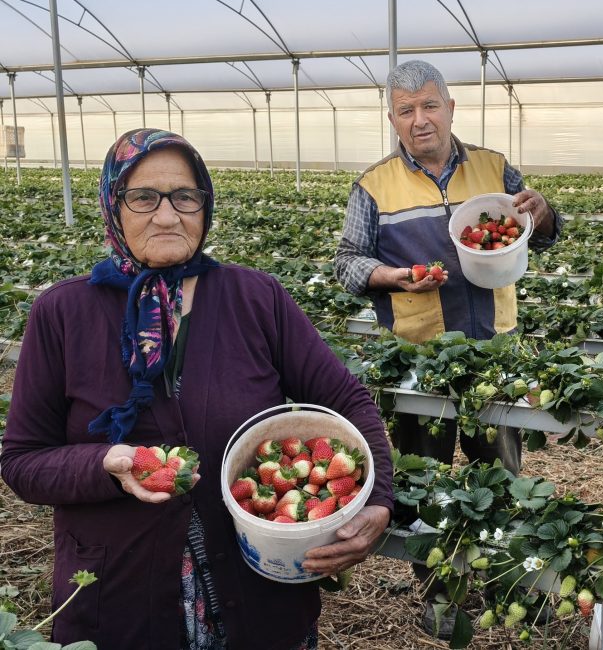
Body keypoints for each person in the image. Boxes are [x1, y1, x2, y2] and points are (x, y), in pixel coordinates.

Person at [0, 128, 394, 650]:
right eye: (143, 197)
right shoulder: (63, 313)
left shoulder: (256, 297)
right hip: (121, 597)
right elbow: (23, 461)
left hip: (260, 591)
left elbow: (347, 400)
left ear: (205, 205)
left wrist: (379, 501)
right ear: (113, 205)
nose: (167, 215)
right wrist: (105, 465)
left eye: (185, 196)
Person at [333, 58, 561, 637]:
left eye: (429, 106)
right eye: (406, 111)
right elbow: (347, 262)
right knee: (423, 477)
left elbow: (542, 228)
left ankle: (509, 578)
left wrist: (544, 212)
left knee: (502, 471)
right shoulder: (372, 185)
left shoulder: (492, 167)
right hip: (417, 360)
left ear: (450, 108)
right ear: (393, 118)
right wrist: (393, 277)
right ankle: (438, 592)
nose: (419, 120)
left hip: (492, 351)